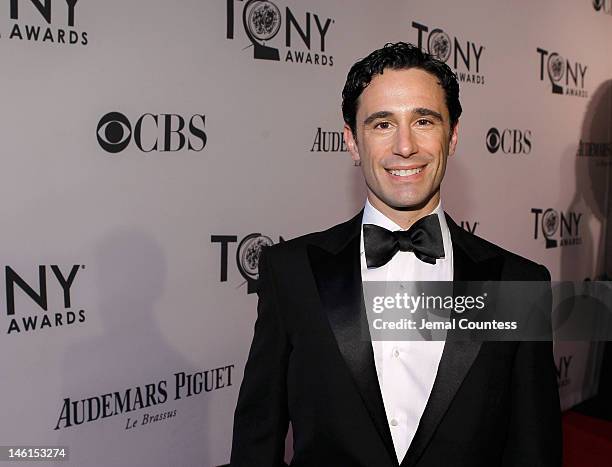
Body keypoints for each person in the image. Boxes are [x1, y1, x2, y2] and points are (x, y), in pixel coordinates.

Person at [230, 42, 561, 467]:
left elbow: (535, 447)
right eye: (382, 124)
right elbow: (258, 437)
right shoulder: (291, 272)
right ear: (351, 141)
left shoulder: (518, 283)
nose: (405, 146)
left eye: (423, 120)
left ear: (453, 135)